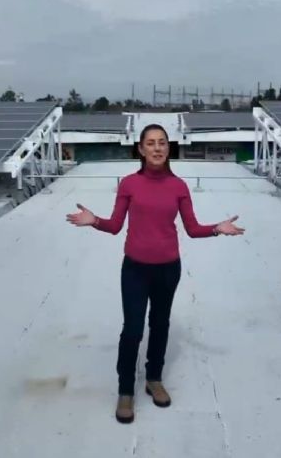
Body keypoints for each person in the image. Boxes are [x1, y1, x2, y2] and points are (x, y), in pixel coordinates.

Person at [66, 124, 244, 424]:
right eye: (151, 143)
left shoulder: (179, 187)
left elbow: (192, 228)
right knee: (133, 329)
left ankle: (154, 378)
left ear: (168, 148)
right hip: (135, 269)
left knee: (160, 324)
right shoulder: (129, 184)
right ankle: (125, 390)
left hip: (168, 269)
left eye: (162, 143)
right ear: (141, 149)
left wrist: (216, 228)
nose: (157, 148)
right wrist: (94, 220)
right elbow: (114, 226)